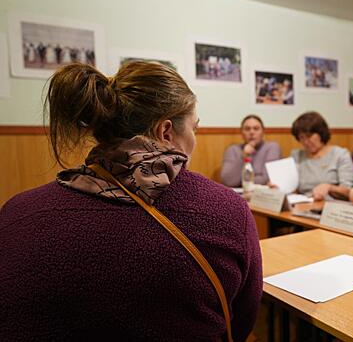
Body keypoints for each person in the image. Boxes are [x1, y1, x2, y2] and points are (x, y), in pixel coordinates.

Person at [0, 62, 262, 341]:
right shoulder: (225, 210)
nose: (195, 139)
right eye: (194, 129)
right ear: (166, 132)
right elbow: (241, 322)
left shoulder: (15, 212)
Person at [290, 111, 353, 200]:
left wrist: (329, 187)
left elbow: (348, 191)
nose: (306, 142)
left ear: (321, 133)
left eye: (309, 136)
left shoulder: (340, 155)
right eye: (301, 137)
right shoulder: (297, 155)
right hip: (304, 204)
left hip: (331, 206)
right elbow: (292, 188)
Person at [221, 114, 281, 187]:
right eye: (247, 129)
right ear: (241, 133)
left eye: (256, 128)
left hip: (263, 194)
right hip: (238, 195)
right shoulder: (233, 150)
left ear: (263, 131)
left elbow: (267, 178)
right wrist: (243, 156)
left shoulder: (272, 147)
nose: (252, 132)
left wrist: (241, 180)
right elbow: (228, 181)